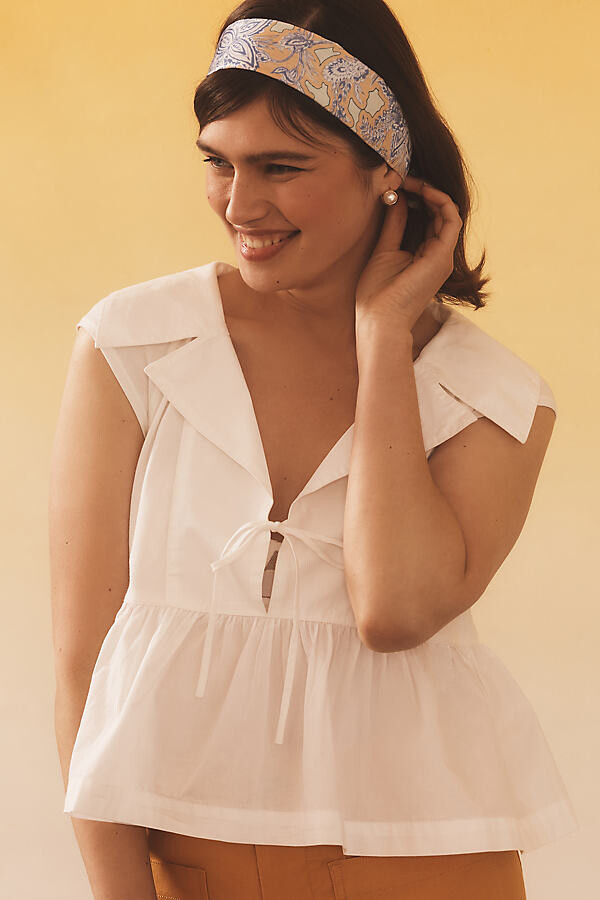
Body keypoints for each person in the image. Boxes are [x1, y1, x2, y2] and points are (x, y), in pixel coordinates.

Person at [50, 1, 579, 897]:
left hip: (432, 867)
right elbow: (82, 665)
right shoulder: (135, 345)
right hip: (197, 863)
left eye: (281, 167)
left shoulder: (493, 397)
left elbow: (394, 610)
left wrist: (384, 338)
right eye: (218, 162)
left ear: (387, 170)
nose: (240, 204)